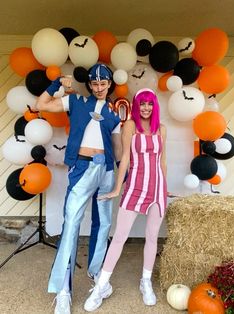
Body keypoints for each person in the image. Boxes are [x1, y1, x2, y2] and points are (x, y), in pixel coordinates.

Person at [36, 63, 121, 314]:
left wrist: (120, 179)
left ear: (109, 84)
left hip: (105, 170)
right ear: (90, 84)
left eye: (103, 84)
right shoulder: (76, 102)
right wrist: (56, 85)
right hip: (82, 168)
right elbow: (42, 105)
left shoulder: (114, 112)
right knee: (71, 224)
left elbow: (117, 148)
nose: (98, 88)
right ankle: (63, 291)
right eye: (94, 84)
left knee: (103, 224)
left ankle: (98, 279)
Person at [84, 88, 167, 312]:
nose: (146, 108)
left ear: (155, 105)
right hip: (135, 187)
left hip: (157, 188)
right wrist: (117, 188)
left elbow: (162, 161)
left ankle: (145, 281)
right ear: (137, 105)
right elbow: (126, 159)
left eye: (150, 104)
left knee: (152, 238)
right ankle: (101, 285)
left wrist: (165, 188)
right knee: (119, 237)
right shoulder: (130, 125)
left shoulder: (161, 129)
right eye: (142, 104)